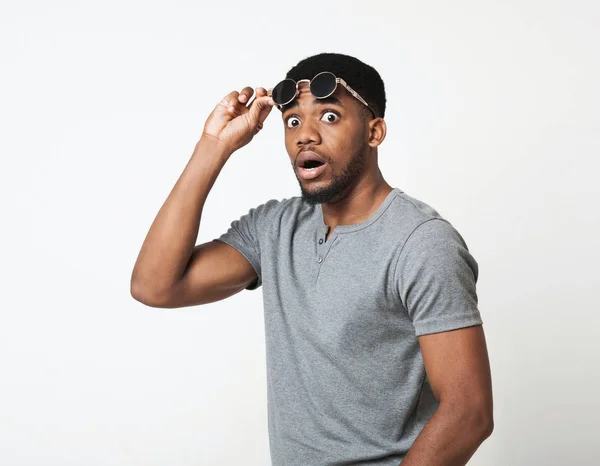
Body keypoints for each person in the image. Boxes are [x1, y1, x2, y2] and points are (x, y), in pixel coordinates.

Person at [131, 52, 494, 466]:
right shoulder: (275, 228)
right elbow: (155, 285)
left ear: (374, 132)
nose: (306, 135)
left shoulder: (421, 243)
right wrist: (213, 146)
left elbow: (469, 414)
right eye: (293, 121)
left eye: (330, 117)